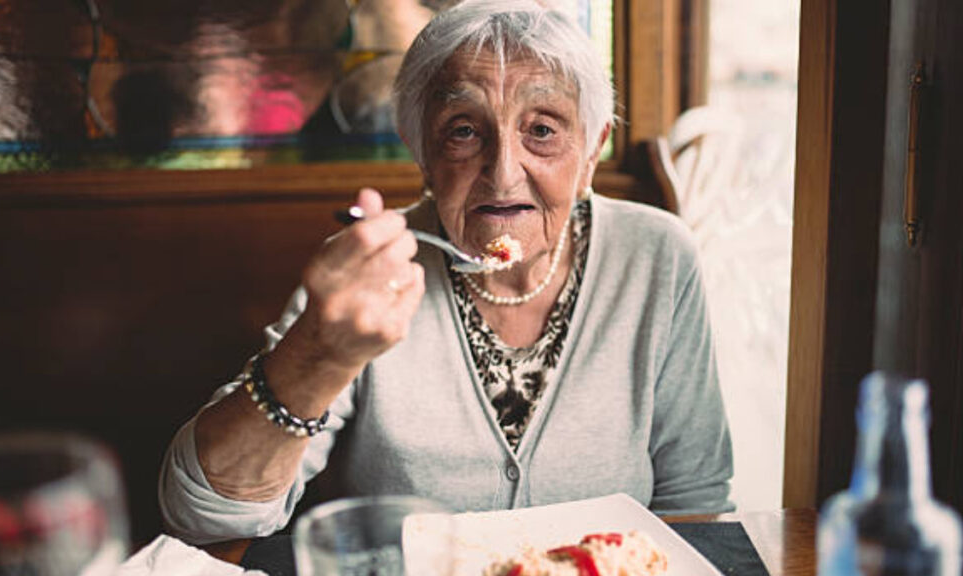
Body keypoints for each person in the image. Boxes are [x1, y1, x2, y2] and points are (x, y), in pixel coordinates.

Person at [159, 0, 733, 545]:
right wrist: (318, 354)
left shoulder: (656, 256)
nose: (504, 174)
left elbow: (693, 504)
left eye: (542, 129)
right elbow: (204, 512)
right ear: (421, 150)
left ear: (590, 152)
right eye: (463, 130)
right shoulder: (369, 273)